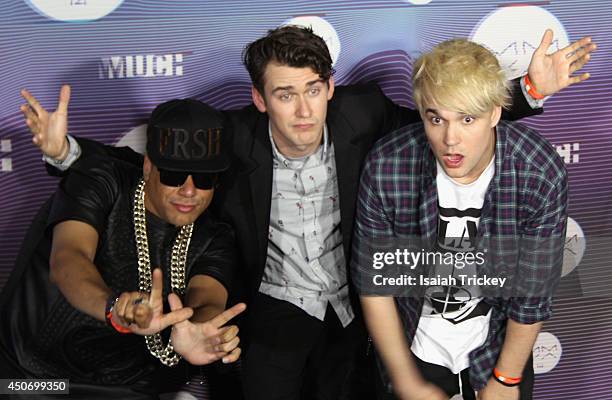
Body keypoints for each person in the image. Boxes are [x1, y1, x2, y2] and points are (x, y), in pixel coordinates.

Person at [24, 25, 593, 400]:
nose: (302, 110)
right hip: (273, 308)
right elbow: (145, 162)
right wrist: (65, 153)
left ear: (330, 88)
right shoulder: (234, 138)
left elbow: (448, 120)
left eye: (314, 90)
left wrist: (527, 92)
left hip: (355, 306)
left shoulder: (364, 116)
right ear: (258, 99)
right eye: (284, 94)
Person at [352, 39, 568, 400]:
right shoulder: (388, 165)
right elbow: (376, 286)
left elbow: (532, 293)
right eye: (436, 119)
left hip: (498, 347)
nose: (450, 140)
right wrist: (404, 379)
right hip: (414, 347)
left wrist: (507, 378)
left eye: (467, 119)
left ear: (496, 112)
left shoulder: (537, 169)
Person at [0, 98, 246, 399]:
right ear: (148, 166)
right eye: (173, 175)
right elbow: (68, 261)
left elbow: (208, 299)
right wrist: (113, 307)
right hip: (31, 377)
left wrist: (200, 328)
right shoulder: (101, 180)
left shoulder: (214, 236)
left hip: (128, 388)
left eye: (205, 178)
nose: (189, 190)